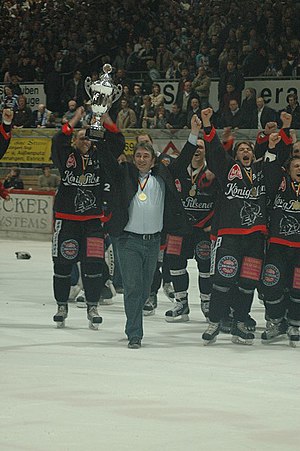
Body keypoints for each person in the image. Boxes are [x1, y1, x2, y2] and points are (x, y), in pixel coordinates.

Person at [110, 115, 202, 348]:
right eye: (138, 156)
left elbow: (182, 161)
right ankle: (135, 334)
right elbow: (107, 156)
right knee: (133, 288)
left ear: (153, 161)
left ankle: (134, 320)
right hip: (128, 241)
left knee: (143, 291)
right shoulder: (126, 175)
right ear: (134, 158)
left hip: (153, 243)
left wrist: (193, 132)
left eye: (146, 157)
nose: (141, 160)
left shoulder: (162, 176)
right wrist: (104, 125)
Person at [200, 107, 287, 345]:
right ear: (236, 155)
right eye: (241, 149)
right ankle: (215, 321)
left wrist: (272, 147)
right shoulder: (228, 170)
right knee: (223, 279)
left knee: (248, 283)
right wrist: (208, 125)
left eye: (248, 149)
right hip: (230, 236)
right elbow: (216, 152)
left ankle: (240, 322)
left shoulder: (260, 170)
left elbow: (273, 174)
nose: (245, 151)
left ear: (253, 153)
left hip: (256, 238)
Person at [50, 106, 125, 329]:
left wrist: (104, 118)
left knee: (93, 265)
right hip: (68, 221)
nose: (85, 141)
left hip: (92, 222)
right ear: (74, 140)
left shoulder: (100, 157)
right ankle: (61, 305)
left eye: (88, 138)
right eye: (80, 137)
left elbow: (118, 141)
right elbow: (56, 140)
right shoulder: (66, 157)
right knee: (63, 264)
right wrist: (76, 119)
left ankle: (93, 306)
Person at [164, 136, 218, 322]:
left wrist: (216, 223)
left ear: (206, 151)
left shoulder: (213, 173)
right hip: (179, 228)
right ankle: (181, 303)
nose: (197, 150)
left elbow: (223, 201)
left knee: (205, 267)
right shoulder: (178, 171)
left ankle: (207, 303)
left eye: (201, 147)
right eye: (195, 146)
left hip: (203, 229)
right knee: (175, 264)